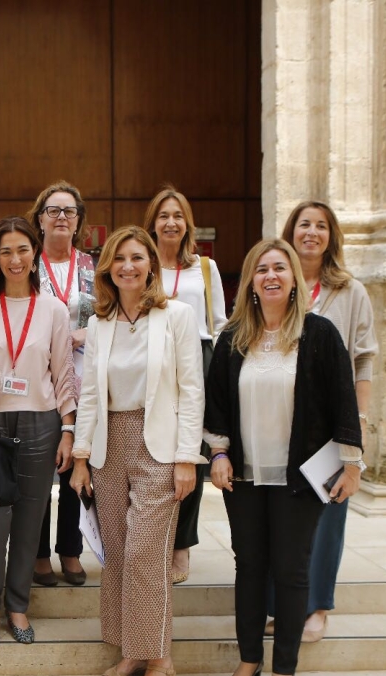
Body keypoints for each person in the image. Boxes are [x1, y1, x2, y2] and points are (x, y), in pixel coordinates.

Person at [205, 239, 363, 676]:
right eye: (261, 269)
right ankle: (249, 660)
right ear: (250, 282)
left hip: (300, 478)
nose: (270, 276)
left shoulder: (319, 335)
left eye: (279, 268)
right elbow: (217, 405)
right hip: (246, 476)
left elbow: (343, 401)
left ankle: (284, 670)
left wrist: (352, 463)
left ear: (294, 278)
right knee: (250, 566)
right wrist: (218, 453)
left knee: (292, 573)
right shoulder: (233, 337)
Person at [70, 226, 204, 676]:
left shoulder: (177, 317)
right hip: (110, 447)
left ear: (151, 265)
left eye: (137, 258)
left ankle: (159, 664)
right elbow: (89, 394)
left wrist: (188, 457)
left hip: (160, 447)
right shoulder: (102, 321)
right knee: (119, 558)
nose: (128, 266)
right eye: (119, 259)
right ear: (107, 267)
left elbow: (192, 390)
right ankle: (132, 651)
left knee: (147, 557)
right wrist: (81, 456)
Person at [0, 216, 77, 647]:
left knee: (30, 520)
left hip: (40, 422)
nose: (15, 258)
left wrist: (67, 431)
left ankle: (18, 605)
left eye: (22, 249)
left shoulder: (54, 309)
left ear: (34, 253)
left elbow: (64, 376)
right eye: (5, 251)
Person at [276, 201, 378, 642]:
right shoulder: (278, 282)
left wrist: (357, 426)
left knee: (329, 512)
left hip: (331, 422)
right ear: (291, 232)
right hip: (280, 419)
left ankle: (317, 606)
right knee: (284, 517)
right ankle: (285, 604)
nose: (312, 233)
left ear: (331, 236)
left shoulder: (349, 291)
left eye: (321, 226)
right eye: (304, 225)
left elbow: (364, 362)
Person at [144, 186, 228, 583]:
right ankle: (153, 539)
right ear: (153, 223)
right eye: (163, 215)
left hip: (197, 358)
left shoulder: (205, 269)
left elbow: (220, 325)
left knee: (190, 454)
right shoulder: (142, 266)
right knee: (154, 455)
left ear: (187, 223)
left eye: (178, 215)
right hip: (154, 361)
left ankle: (181, 545)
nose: (171, 222)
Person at [26, 180, 96, 587]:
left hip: (85, 380)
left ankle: (70, 549)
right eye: (53, 210)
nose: (61, 218)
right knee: (38, 466)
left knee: (79, 464)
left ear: (78, 221)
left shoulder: (92, 266)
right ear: (40, 219)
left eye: (69, 211)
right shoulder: (27, 263)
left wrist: (88, 334)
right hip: (40, 380)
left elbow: (107, 315)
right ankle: (37, 554)